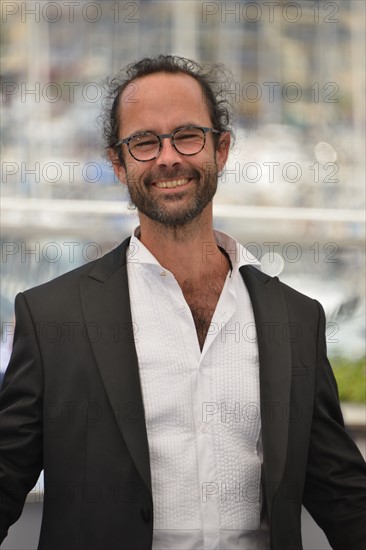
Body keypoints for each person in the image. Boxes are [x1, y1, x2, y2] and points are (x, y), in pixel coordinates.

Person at [0, 55, 365, 550]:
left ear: (222, 149)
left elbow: (343, 495)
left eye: (188, 136)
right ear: (117, 163)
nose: (168, 158)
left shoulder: (296, 320)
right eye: (144, 142)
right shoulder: (52, 318)